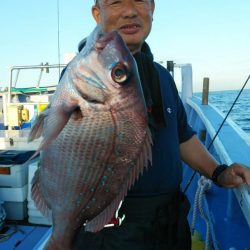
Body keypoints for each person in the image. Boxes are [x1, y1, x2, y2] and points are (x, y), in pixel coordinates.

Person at [75, 0, 250, 249]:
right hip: (111, 224)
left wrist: (219, 172)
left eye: (139, 1)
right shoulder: (83, 77)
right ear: (97, 14)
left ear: (152, 9)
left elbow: (181, 136)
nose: (129, 10)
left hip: (169, 220)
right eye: (115, 2)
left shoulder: (162, 76)